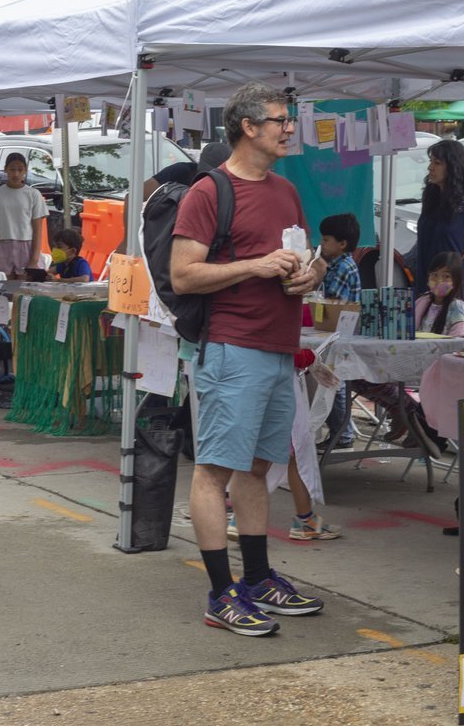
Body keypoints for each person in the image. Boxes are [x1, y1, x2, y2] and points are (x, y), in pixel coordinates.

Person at [171, 81, 327, 637]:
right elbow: (183, 274)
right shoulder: (209, 193)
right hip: (232, 350)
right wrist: (255, 267)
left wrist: (311, 274)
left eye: (289, 119)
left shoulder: (285, 190)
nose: (289, 128)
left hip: (278, 348)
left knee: (260, 468)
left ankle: (258, 579)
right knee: (214, 471)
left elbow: (306, 257)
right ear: (248, 127)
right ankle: (220, 594)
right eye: (281, 120)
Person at [413, 139, 464, 313]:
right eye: (431, 162)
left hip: (462, 281)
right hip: (430, 282)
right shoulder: (432, 196)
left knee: (458, 335)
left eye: (437, 163)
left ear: (452, 166)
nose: (430, 167)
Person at [318, 213, 361, 449]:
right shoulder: (336, 265)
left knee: (336, 384)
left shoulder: (343, 267)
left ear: (342, 244)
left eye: (326, 240)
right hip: (333, 333)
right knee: (332, 383)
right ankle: (338, 431)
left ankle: (342, 433)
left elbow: (333, 301)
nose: (322, 244)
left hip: (341, 335)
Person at [0, 152, 47, 277]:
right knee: (5, 290)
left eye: (20, 170)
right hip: (3, 246)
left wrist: (34, 260)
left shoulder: (33, 194)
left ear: (25, 170)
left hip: (27, 247)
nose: (16, 174)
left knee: (25, 289)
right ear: (5, 170)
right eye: (12, 169)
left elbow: (37, 230)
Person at [143, 142, 232, 200]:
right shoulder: (181, 171)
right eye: (205, 173)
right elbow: (135, 197)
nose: (208, 178)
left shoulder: (231, 187)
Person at [414, 251, 464, 338]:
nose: (439, 281)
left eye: (446, 276)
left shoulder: (456, 306)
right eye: (434, 275)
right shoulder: (422, 300)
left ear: (456, 280)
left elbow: (461, 338)